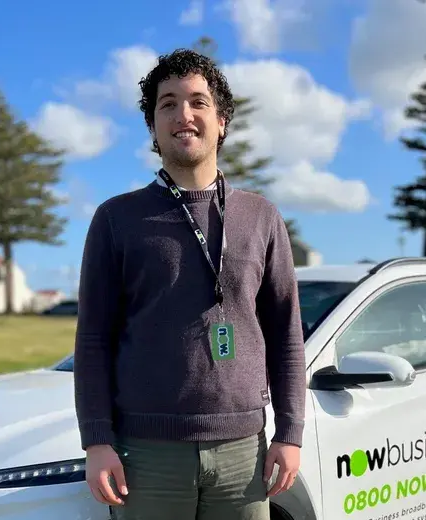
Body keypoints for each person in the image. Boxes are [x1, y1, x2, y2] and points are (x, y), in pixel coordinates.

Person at [74, 48, 307, 520]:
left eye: (198, 102)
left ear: (221, 121)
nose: (184, 114)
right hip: (147, 454)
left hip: (244, 452)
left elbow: (285, 334)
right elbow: (93, 339)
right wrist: (96, 440)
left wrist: (290, 432)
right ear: (153, 129)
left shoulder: (261, 217)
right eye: (168, 103)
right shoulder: (116, 219)